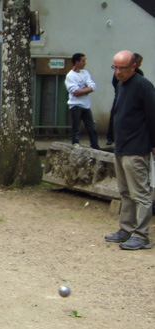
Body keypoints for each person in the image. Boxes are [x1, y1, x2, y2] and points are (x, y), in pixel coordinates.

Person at [104, 50, 155, 250]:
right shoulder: (121, 84)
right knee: (125, 191)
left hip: (136, 147)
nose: (117, 72)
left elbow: (152, 115)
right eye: (115, 67)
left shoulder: (143, 86)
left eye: (122, 68)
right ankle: (126, 228)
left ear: (134, 66)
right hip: (121, 146)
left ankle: (142, 235)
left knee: (140, 193)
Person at [65, 52, 100, 149]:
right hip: (76, 105)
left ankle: (95, 145)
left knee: (91, 127)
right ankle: (75, 143)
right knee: (76, 127)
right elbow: (75, 92)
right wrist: (87, 90)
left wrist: (84, 90)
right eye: (83, 61)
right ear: (77, 62)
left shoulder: (85, 73)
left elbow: (92, 86)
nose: (85, 63)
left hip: (86, 105)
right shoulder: (70, 76)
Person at [106, 53, 143, 145]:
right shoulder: (120, 73)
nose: (140, 64)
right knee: (115, 115)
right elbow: (115, 82)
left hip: (132, 99)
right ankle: (110, 137)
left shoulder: (140, 75)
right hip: (119, 96)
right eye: (139, 62)